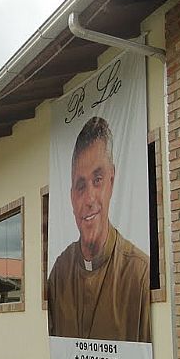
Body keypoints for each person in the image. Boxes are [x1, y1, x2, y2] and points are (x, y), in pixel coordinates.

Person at [47, 116, 150, 343]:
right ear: (71, 196)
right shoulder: (58, 275)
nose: (90, 198)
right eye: (81, 186)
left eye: (98, 179)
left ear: (112, 181)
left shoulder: (139, 274)